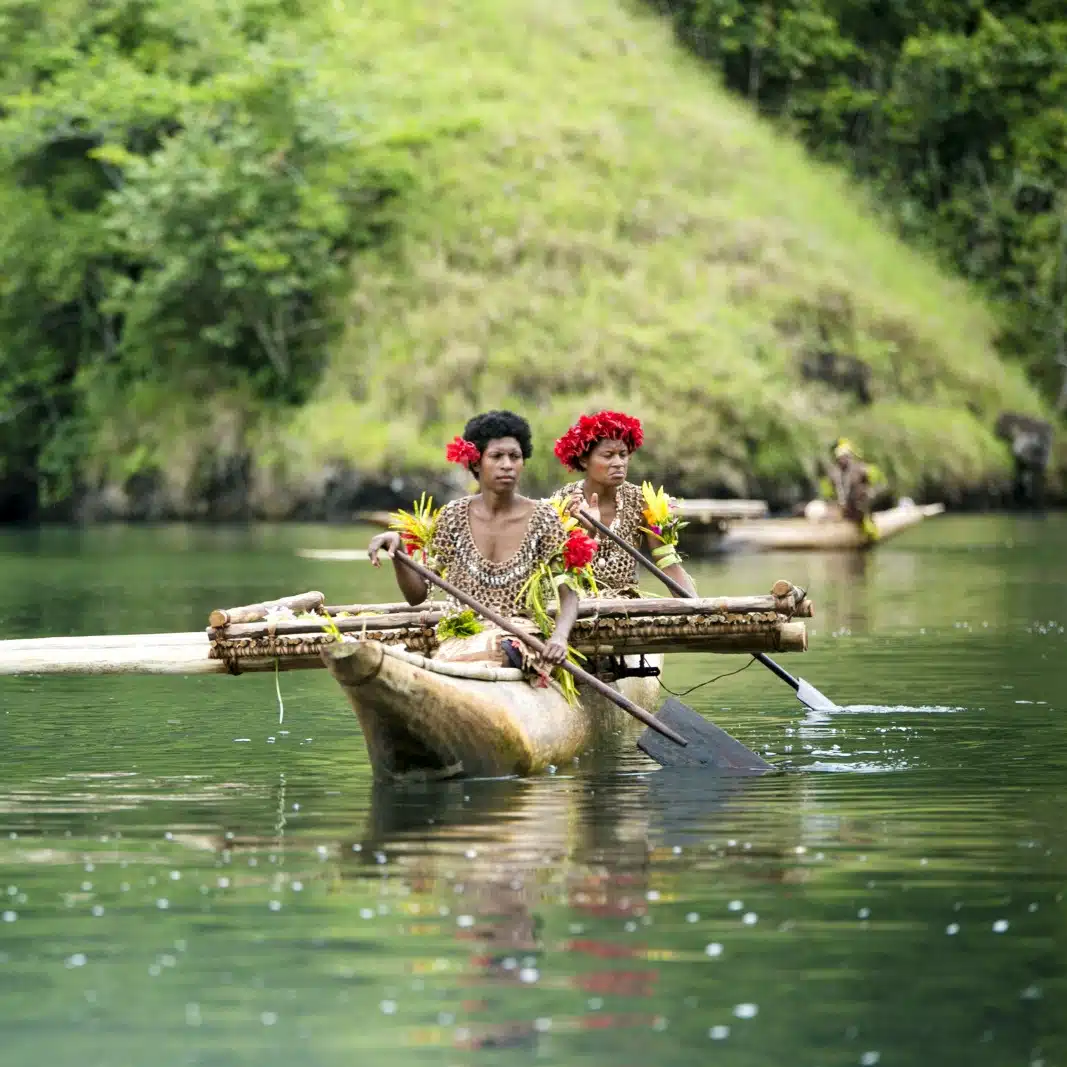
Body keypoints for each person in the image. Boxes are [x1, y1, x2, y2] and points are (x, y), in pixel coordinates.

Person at [368, 410, 579, 667]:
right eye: (497, 456)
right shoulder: (452, 517)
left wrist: (559, 637)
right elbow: (417, 596)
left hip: (520, 636)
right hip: (462, 634)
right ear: (477, 463)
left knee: (503, 649)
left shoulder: (544, 518)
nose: (507, 465)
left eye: (515, 456)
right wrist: (399, 553)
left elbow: (568, 593)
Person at [550, 410, 696, 597]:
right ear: (583, 460)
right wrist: (590, 533)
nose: (618, 463)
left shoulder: (645, 502)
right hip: (576, 611)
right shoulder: (562, 505)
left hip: (628, 610)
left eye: (623, 454)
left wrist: (699, 608)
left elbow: (668, 563)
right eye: (608, 455)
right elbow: (556, 575)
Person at [828, 438, 878, 542]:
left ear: (849, 457)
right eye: (840, 458)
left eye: (845, 457)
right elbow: (834, 493)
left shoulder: (859, 469)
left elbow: (868, 486)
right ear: (837, 459)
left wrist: (864, 495)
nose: (843, 460)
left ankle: (868, 528)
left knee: (861, 498)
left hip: (858, 506)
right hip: (843, 506)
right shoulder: (834, 473)